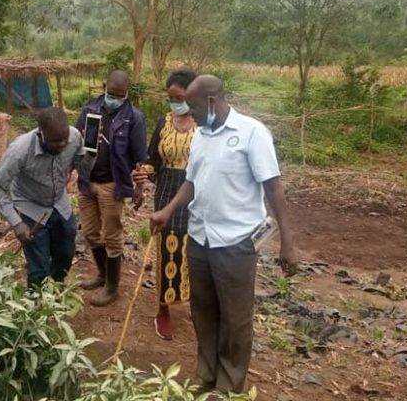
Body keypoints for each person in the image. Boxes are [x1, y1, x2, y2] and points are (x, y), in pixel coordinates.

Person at [150, 74, 298, 395]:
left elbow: (273, 187)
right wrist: (168, 210)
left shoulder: (252, 133)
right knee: (203, 311)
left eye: (194, 108)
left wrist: (288, 240)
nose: (190, 115)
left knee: (235, 317)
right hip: (200, 238)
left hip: (236, 242)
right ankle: (207, 374)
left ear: (212, 102)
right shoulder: (201, 135)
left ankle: (229, 384)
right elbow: (192, 182)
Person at [0, 108, 96, 286]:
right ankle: (37, 304)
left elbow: (84, 170)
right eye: (55, 142)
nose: (62, 145)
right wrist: (16, 222)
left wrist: (92, 154)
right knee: (39, 267)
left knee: (65, 255)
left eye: (65, 141)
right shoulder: (19, 151)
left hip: (59, 203)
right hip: (31, 207)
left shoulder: (75, 137)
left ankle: (54, 293)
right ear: (41, 135)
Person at [76, 70, 148, 307]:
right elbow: (76, 139)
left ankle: (112, 287)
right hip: (88, 180)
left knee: (112, 236)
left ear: (126, 93)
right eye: (111, 93)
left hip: (112, 184)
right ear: (104, 87)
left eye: (119, 95)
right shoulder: (90, 110)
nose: (114, 98)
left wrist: (139, 188)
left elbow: (139, 158)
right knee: (89, 232)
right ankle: (102, 274)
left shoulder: (134, 118)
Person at [137, 69, 198, 340]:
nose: (175, 103)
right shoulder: (164, 122)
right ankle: (163, 309)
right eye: (171, 98)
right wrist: (143, 171)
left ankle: (198, 304)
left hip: (198, 195)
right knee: (167, 250)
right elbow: (154, 161)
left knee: (195, 250)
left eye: (180, 97)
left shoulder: (205, 125)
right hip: (166, 193)